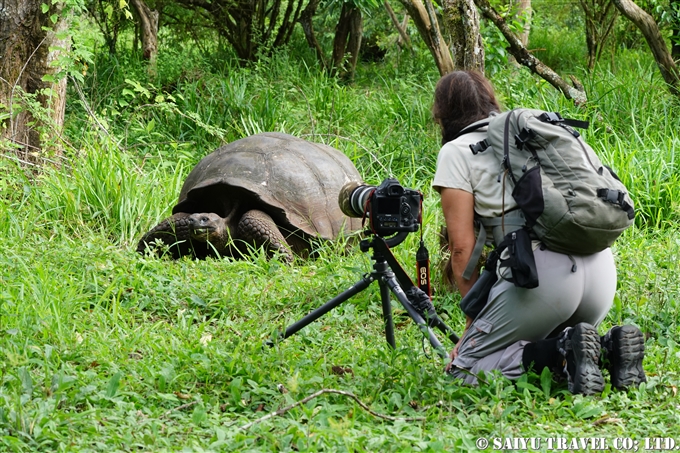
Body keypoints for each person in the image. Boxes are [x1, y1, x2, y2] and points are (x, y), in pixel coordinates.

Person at [431, 70, 646, 395]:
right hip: (600, 268)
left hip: (543, 280)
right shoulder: (528, 135)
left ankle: (559, 355)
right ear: (490, 100)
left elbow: (462, 248)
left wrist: (473, 327)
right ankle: (609, 346)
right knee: (562, 340)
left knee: (463, 370)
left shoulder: (456, 151)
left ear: (441, 114)